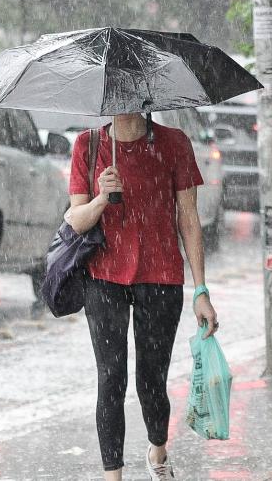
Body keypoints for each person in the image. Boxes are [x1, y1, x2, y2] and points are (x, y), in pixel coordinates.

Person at [64, 113, 219, 480]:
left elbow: (189, 219)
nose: (124, 101)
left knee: (151, 379)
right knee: (111, 378)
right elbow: (76, 220)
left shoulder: (174, 143)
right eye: (117, 93)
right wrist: (103, 197)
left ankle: (158, 448)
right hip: (103, 277)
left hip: (160, 275)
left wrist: (201, 291)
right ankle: (112, 475)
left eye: (132, 91)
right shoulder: (88, 145)